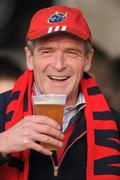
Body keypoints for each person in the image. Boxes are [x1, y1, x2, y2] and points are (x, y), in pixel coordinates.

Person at [0, 5, 119, 180]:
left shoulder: (114, 124)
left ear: (87, 60)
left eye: (71, 52)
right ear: (30, 59)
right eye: (47, 52)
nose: (58, 64)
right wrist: (2, 143)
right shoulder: (1, 107)